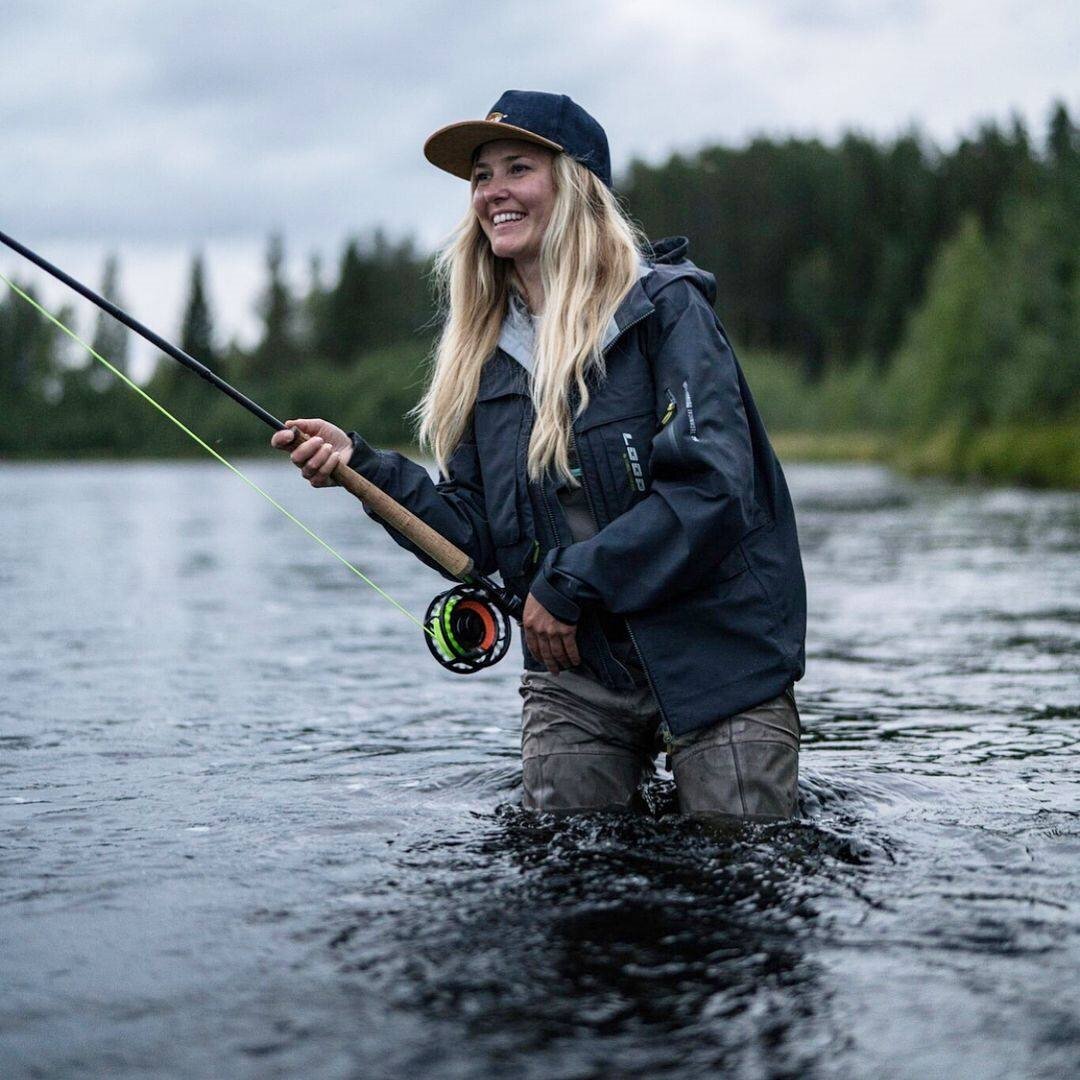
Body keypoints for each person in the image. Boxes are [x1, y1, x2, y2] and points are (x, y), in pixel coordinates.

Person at [271, 91, 807, 821]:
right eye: (480, 178)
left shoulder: (667, 311)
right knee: (563, 866)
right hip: (575, 672)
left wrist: (566, 585)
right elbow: (472, 534)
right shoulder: (480, 356)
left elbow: (709, 492)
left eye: (516, 168)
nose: (493, 192)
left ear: (575, 184)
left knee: (740, 862)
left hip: (717, 654)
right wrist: (360, 468)